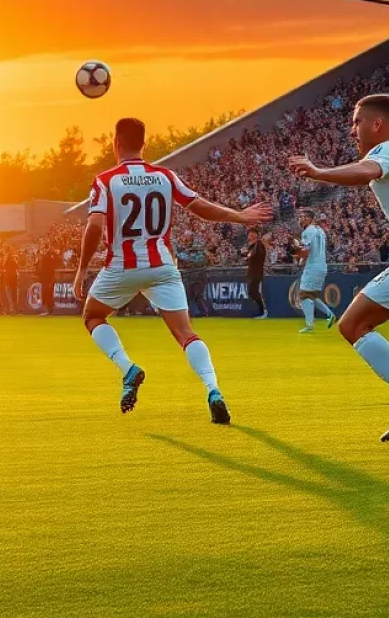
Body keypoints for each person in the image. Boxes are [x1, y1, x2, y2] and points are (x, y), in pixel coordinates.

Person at [73, 117, 272, 424]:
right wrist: (240, 216)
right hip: (162, 266)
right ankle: (213, 389)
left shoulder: (105, 180)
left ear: (116, 143)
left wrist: (81, 269)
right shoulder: (164, 176)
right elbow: (200, 206)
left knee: (92, 316)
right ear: (144, 144)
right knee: (185, 332)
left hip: (122, 266)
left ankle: (128, 369)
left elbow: (95, 225)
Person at [289, 94, 389, 442]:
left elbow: (366, 171)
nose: (352, 130)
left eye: (357, 122)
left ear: (378, 124)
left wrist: (319, 172)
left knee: (353, 324)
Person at [293, 209, 335, 333]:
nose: (300, 220)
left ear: (308, 218)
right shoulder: (320, 231)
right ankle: (330, 315)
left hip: (313, 266)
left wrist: (295, 251)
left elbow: (305, 251)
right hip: (322, 265)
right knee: (312, 295)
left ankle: (309, 325)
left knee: (304, 295)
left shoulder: (307, 231)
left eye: (302, 217)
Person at [245, 228, 268, 320]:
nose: (249, 235)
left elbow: (257, 255)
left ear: (256, 234)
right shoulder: (252, 246)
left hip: (257, 272)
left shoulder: (259, 244)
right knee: (252, 291)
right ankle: (261, 311)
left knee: (255, 291)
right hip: (252, 271)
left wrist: (248, 255)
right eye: (249, 233)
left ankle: (264, 311)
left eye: (251, 233)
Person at [37, 245, 59, 317]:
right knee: (47, 294)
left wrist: (51, 280)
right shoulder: (46, 257)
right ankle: (49, 310)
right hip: (46, 278)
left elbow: (50, 269)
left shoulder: (47, 257)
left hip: (48, 278)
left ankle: (49, 311)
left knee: (48, 294)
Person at [0, 250, 19, 315]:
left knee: (9, 296)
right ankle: (15, 309)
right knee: (14, 296)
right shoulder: (13, 262)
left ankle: (12, 309)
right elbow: (17, 267)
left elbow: (3, 267)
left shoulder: (6, 262)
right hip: (13, 281)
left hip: (8, 281)